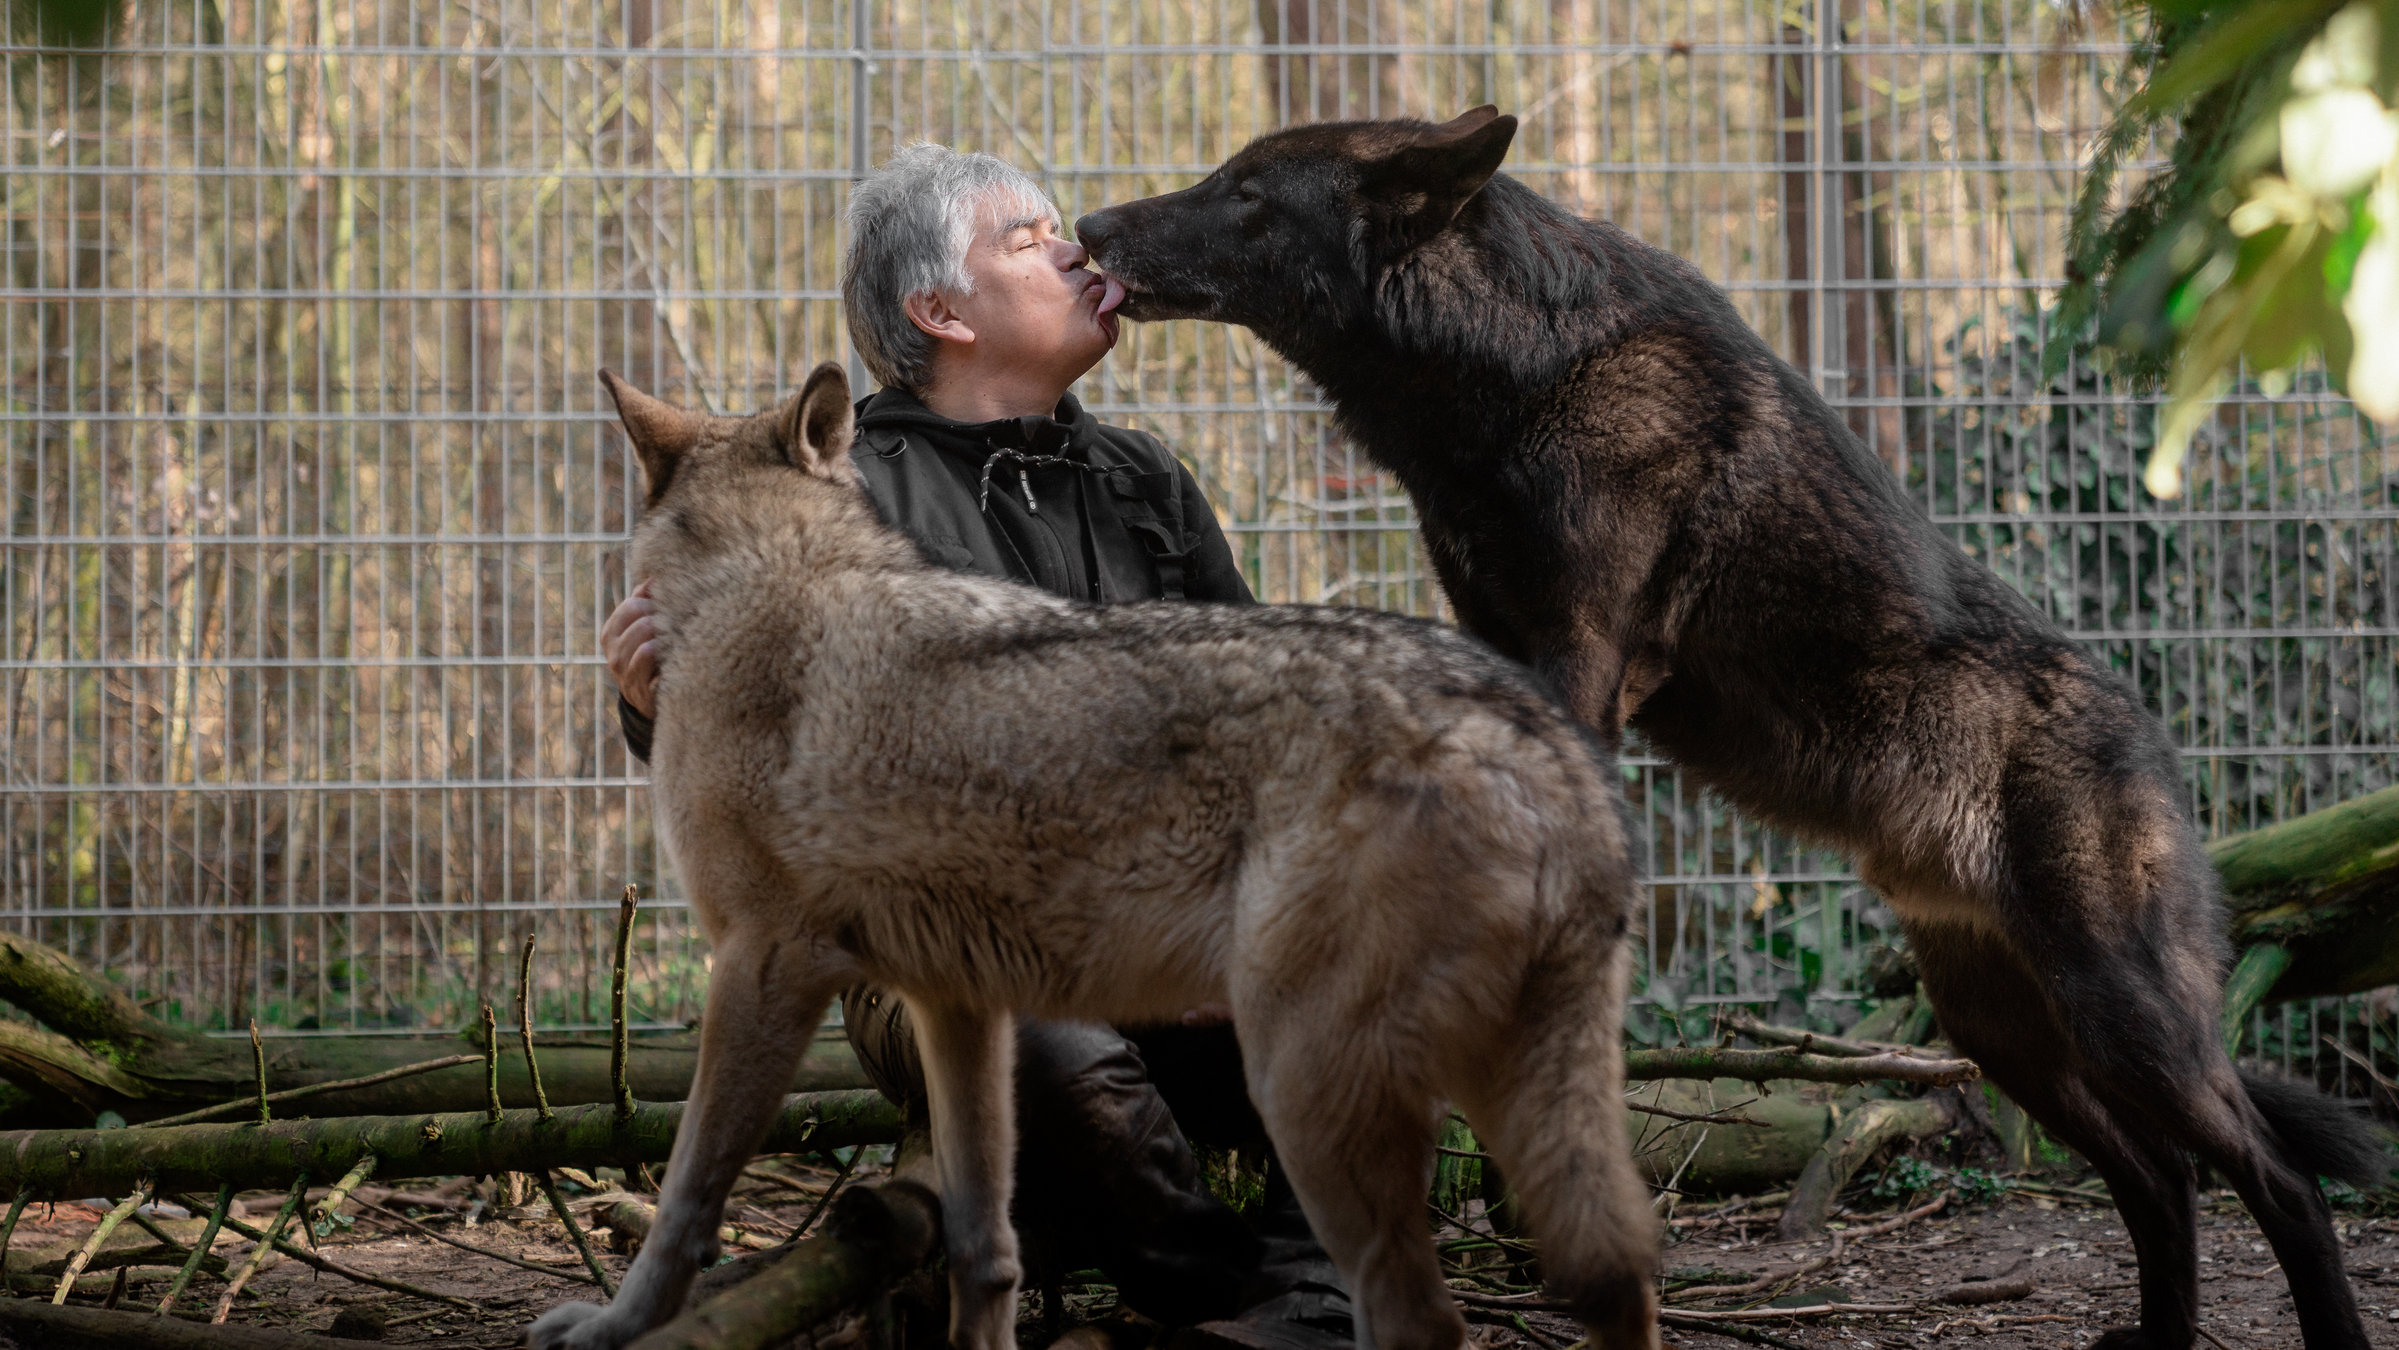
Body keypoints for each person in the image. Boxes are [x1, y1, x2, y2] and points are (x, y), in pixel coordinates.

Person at [599, 143, 1355, 1350]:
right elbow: (764, 772)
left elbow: (1255, 729)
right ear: (938, 311)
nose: (1076, 251)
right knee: (1033, 1038)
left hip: (1178, 920)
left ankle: (1312, 1295)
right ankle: (1222, 1289)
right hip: (954, 941)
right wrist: (652, 702)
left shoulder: (1143, 478)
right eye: (1028, 238)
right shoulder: (841, 489)